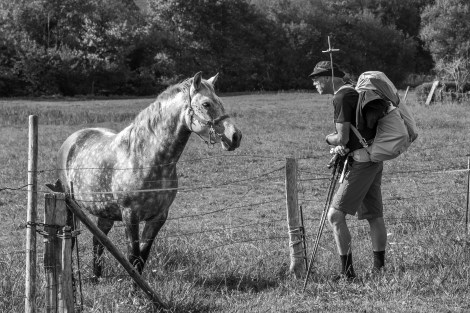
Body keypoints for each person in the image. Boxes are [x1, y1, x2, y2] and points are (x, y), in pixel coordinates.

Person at [309, 60, 387, 280]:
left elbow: (342, 138)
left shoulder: (341, 97)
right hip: (374, 158)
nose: (315, 83)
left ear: (327, 77)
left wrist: (328, 138)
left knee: (335, 216)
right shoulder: (354, 92)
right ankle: (379, 269)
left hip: (361, 163)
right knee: (374, 214)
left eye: (316, 79)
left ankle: (348, 273)